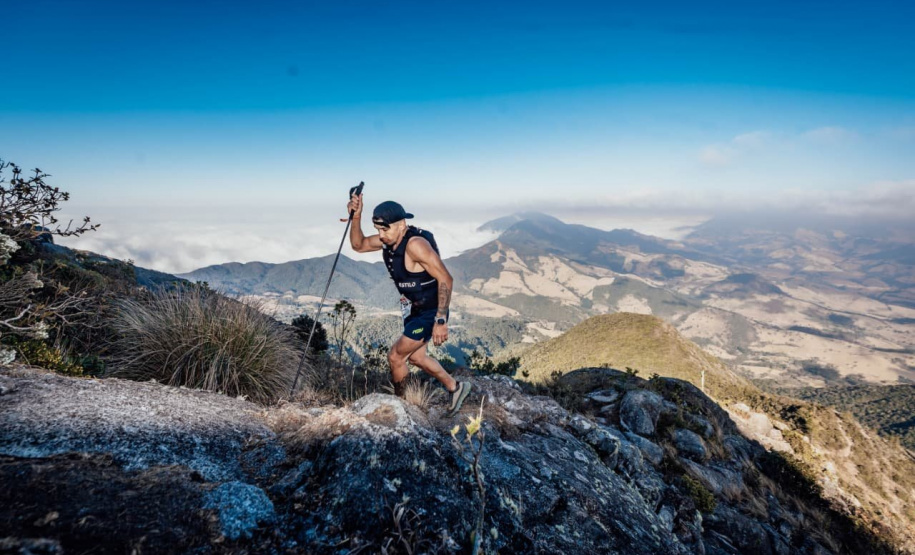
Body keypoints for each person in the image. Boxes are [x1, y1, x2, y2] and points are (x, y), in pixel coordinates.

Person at [345, 192, 471, 415]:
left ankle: (401, 407)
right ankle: (456, 387)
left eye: (385, 229)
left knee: (395, 356)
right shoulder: (389, 239)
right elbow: (359, 245)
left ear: (401, 224)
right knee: (417, 357)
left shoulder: (415, 245)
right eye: (378, 230)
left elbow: (446, 278)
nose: (381, 235)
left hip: (431, 310)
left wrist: (440, 319)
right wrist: (356, 217)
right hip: (414, 307)